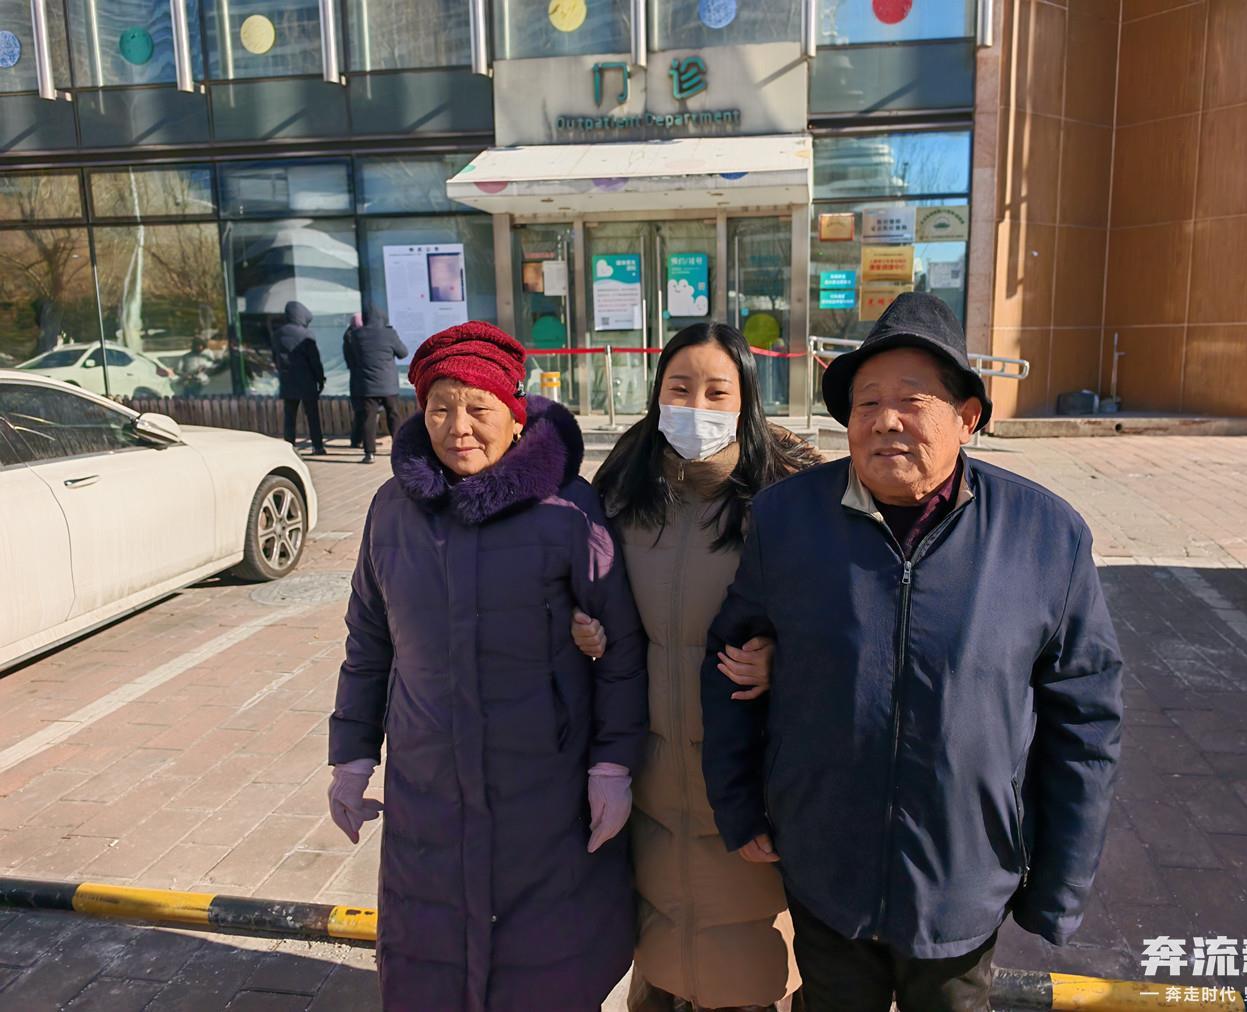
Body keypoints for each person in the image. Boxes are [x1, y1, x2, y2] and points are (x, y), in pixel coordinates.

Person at [699, 292, 1124, 1012]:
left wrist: (1058, 882)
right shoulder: (786, 519)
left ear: (967, 417)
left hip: (964, 879)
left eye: (911, 399)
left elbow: (1085, 719)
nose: (885, 420)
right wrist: (740, 807)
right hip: (825, 865)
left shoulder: (1045, 536)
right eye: (866, 402)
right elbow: (730, 662)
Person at [327, 321, 649, 1011]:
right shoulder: (392, 510)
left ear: (515, 413)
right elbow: (369, 639)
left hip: (542, 781)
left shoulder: (567, 509)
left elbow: (620, 646)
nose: (459, 428)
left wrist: (612, 766)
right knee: (428, 959)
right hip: (427, 781)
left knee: (544, 966)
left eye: (479, 407)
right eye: (440, 408)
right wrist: (351, 755)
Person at [571, 323, 820, 1012]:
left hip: (742, 772)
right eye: (679, 389)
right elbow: (582, 589)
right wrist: (581, 626)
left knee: (740, 947)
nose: (696, 407)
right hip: (647, 764)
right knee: (658, 935)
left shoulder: (788, 499)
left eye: (717, 392)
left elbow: (839, 621)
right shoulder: (620, 491)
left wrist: (783, 657)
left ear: (746, 401)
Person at [343, 305, 409, 464]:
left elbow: (351, 360)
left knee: (369, 418)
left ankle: (369, 453)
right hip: (388, 384)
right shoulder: (389, 334)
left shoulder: (356, 335)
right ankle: (399, 449)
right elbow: (403, 353)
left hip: (367, 385)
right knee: (393, 415)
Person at [272, 300, 326, 455]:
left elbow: (275, 357)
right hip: (306, 381)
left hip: (287, 380)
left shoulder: (278, 334)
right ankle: (318, 446)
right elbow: (314, 360)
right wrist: (320, 378)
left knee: (290, 417)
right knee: (312, 416)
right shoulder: (306, 334)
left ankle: (289, 446)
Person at [342, 311, 363, 448]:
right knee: (364, 411)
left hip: (355, 378)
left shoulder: (348, 337)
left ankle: (356, 440)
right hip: (362, 378)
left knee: (360, 411)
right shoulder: (357, 338)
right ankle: (359, 440)